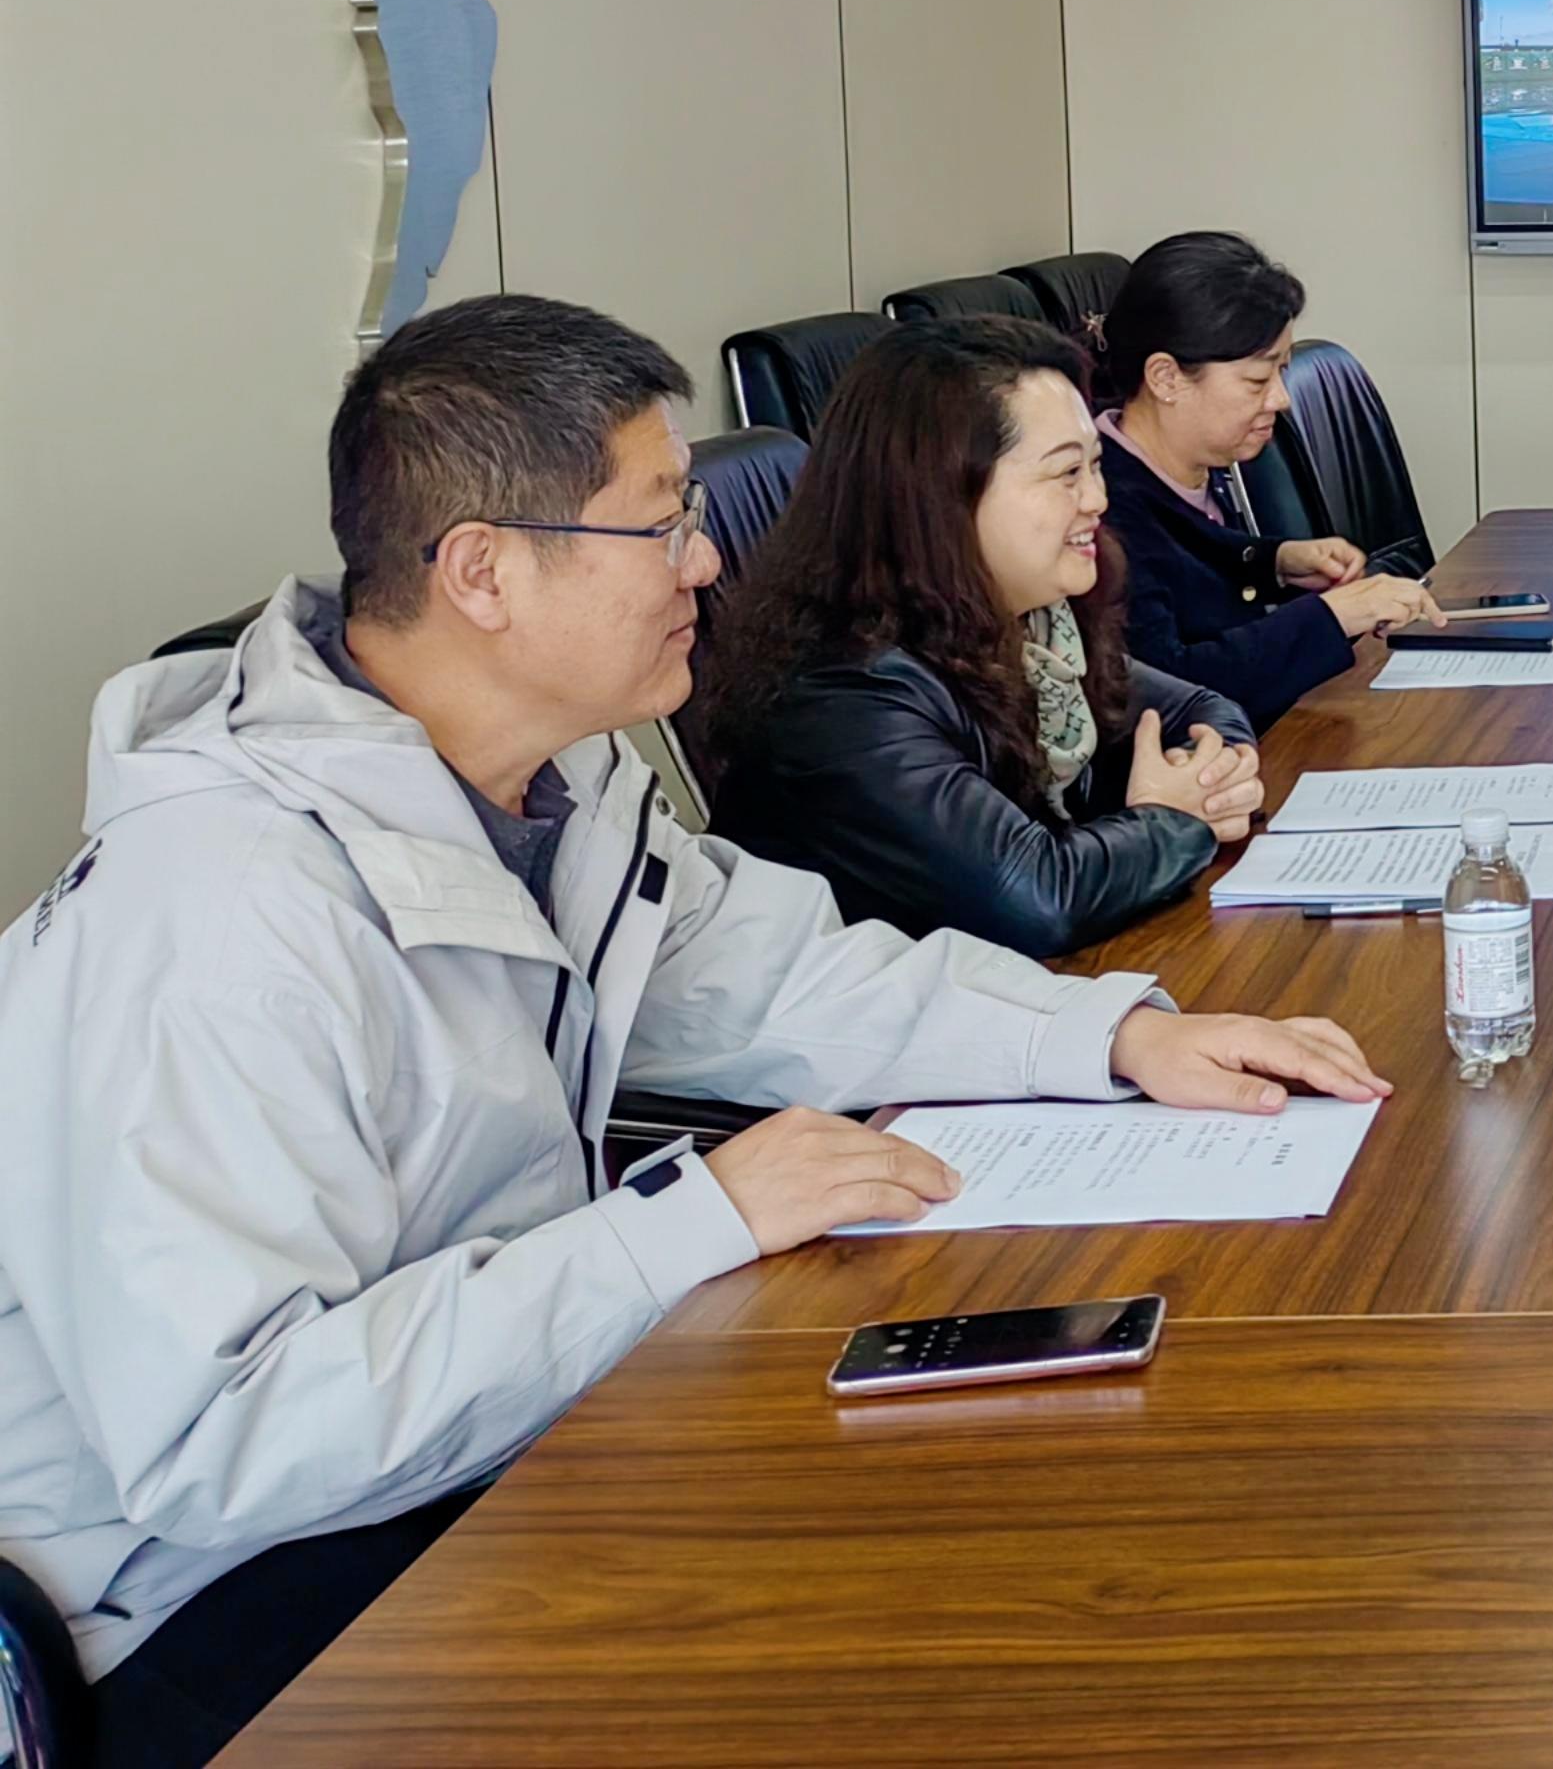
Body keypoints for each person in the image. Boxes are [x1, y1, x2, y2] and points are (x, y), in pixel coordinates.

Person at [0, 296, 1394, 1769]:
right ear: (482, 571)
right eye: (661, 523)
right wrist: (689, 1219)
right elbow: (231, 1443)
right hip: (186, 1601)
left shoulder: (557, 784)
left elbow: (786, 979)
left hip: (462, 1448)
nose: (709, 560)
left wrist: (1108, 1039)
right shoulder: (216, 917)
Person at [696, 318, 1268, 956]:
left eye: (1095, 466)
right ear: (944, 495)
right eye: (1066, 473)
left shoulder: (1036, 623)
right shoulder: (845, 690)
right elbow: (1037, 898)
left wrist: (1210, 775)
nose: (1097, 499)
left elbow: (1201, 709)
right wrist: (1173, 820)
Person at [1093, 231, 1440, 720]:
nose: (1281, 398)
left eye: (1281, 372)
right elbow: (1172, 687)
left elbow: (1194, 564)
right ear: (1166, 378)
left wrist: (1276, 563)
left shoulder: (1196, 466)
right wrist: (1334, 616)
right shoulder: (1101, 506)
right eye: (1257, 380)